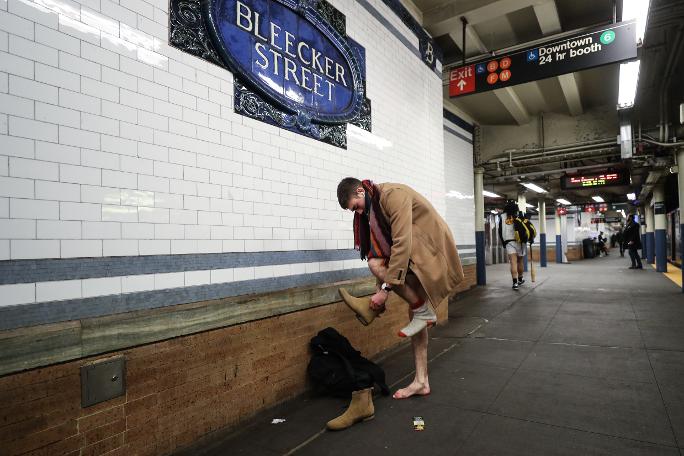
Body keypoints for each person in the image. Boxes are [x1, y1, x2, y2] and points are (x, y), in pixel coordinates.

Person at [336, 178, 464, 404]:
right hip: (417, 253)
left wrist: (385, 290)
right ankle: (421, 380)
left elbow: (401, 243)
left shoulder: (392, 196)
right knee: (416, 314)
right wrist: (380, 287)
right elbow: (384, 247)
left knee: (377, 266)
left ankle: (417, 312)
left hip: (430, 249)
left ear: (360, 191)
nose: (356, 213)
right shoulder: (372, 208)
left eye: (355, 206)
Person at [498, 201, 529, 289]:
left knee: (513, 263)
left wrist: (503, 243)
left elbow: (500, 231)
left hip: (508, 242)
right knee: (520, 261)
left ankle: (515, 283)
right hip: (520, 242)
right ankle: (520, 279)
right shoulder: (520, 215)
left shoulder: (502, 217)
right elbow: (526, 229)